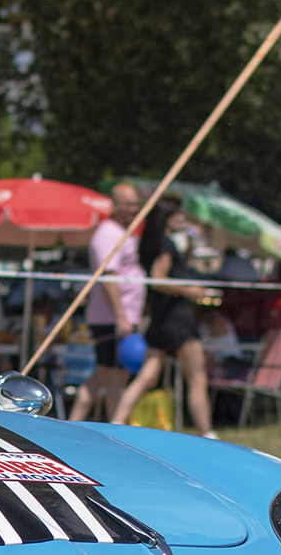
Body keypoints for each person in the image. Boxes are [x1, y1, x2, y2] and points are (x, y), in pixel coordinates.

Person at [111, 201, 217, 437]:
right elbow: (159, 278)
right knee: (197, 378)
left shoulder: (153, 244)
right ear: (167, 217)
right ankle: (207, 433)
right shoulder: (166, 244)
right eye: (178, 214)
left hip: (159, 320)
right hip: (177, 320)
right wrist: (190, 291)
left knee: (145, 377)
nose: (183, 218)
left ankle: (116, 423)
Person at [69, 181, 145, 421]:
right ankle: (102, 424)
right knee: (107, 374)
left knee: (114, 375)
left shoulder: (122, 233)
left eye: (136, 204)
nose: (134, 209)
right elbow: (108, 277)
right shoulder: (109, 233)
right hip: (111, 318)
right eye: (128, 204)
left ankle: (114, 424)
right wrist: (121, 316)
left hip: (122, 317)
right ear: (114, 205)